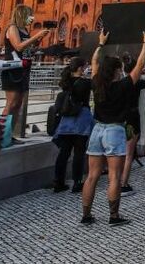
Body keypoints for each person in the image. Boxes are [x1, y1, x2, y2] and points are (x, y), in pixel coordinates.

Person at [81, 30, 145, 225]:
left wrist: (101, 44)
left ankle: (86, 215)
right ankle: (114, 216)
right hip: (114, 131)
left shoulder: (96, 83)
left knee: (92, 175)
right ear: (116, 71)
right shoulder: (123, 86)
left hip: (97, 130)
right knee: (114, 176)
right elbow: (140, 65)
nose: (121, 71)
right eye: (119, 69)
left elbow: (94, 62)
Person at [2, 5, 50, 140]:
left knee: (18, 104)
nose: (32, 18)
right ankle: (1, 135)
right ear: (22, 14)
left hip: (24, 68)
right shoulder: (13, 28)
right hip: (13, 68)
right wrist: (37, 35)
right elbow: (18, 46)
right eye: (30, 15)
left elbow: (27, 49)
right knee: (11, 103)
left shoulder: (24, 30)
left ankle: (9, 135)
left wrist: (38, 40)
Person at [52, 56, 93, 193]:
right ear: (81, 68)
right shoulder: (85, 83)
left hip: (66, 122)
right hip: (81, 120)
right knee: (79, 153)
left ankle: (58, 182)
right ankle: (77, 182)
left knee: (64, 153)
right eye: (85, 66)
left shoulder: (66, 82)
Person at [119, 53, 145, 195]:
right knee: (128, 154)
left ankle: (115, 181)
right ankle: (123, 184)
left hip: (119, 118)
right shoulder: (137, 83)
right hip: (132, 118)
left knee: (118, 152)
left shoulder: (119, 82)